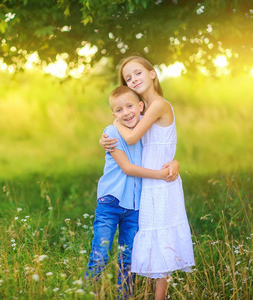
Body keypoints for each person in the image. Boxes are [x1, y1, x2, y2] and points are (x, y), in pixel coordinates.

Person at [100, 55, 195, 299]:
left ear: (152, 73)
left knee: (162, 238)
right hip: (149, 184)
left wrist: (113, 124)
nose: (133, 80)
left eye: (138, 73)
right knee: (154, 238)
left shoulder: (159, 105)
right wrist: (106, 138)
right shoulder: (139, 112)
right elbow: (148, 143)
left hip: (163, 184)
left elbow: (131, 138)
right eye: (128, 78)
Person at [85, 86, 179, 297]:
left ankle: (124, 296)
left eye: (129, 106)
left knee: (128, 259)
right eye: (119, 110)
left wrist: (175, 162)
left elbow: (161, 148)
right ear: (113, 115)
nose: (126, 112)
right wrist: (161, 174)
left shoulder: (143, 132)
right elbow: (127, 168)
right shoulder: (111, 132)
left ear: (140, 106)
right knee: (100, 255)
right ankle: (83, 293)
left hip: (135, 206)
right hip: (111, 202)